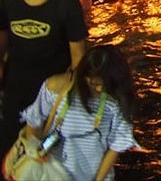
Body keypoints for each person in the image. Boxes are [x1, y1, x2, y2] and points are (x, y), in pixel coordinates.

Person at [0, 0, 88, 155]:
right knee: (10, 146)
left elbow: (78, 53)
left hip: (50, 89)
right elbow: (2, 33)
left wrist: (71, 93)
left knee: (46, 152)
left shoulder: (66, 4)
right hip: (16, 85)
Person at [21, 44, 138, 180]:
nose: (99, 89)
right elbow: (34, 120)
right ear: (83, 74)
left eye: (105, 85)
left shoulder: (118, 98)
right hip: (53, 174)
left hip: (93, 175)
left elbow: (115, 147)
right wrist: (34, 150)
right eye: (94, 83)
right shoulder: (57, 87)